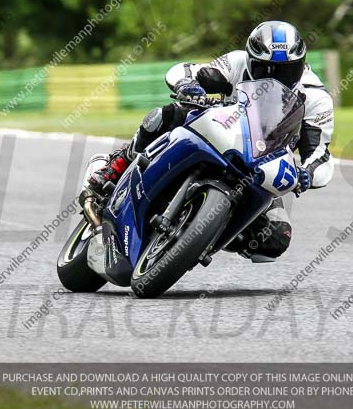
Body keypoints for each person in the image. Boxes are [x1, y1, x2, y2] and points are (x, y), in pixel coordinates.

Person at [86, 21, 335, 262]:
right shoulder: (237, 62)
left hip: (261, 166)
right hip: (215, 132)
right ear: (251, 60)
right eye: (265, 69)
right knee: (167, 115)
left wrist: (308, 174)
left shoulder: (315, 98)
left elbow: (320, 153)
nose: (276, 77)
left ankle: (204, 237)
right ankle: (116, 166)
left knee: (276, 238)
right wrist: (189, 85)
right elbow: (188, 70)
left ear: (301, 64)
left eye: (286, 70)